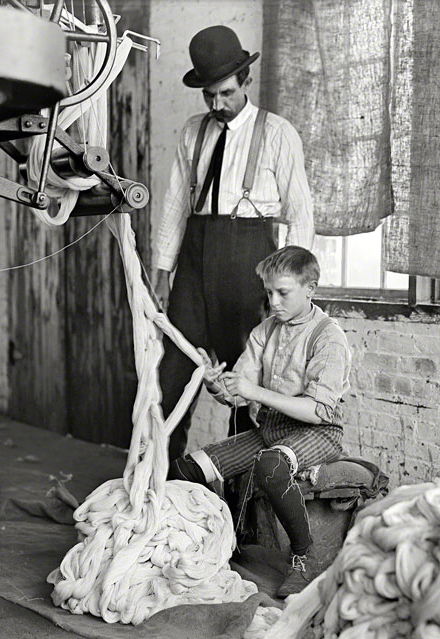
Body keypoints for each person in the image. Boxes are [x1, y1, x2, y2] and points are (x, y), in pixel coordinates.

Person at [154, 25, 315, 462]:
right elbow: (174, 204)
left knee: (247, 386)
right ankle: (161, 488)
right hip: (193, 259)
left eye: (225, 93)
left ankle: (238, 505)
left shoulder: (279, 133)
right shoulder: (193, 132)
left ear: (246, 80)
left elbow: (300, 213)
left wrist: (293, 289)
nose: (217, 104)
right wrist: (163, 269)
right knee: (170, 378)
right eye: (209, 96)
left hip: (251, 262)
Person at [169, 246, 352, 598]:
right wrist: (218, 386)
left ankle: (303, 557)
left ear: (310, 288)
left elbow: (318, 411)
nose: (274, 301)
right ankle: (221, 543)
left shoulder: (328, 337)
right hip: (271, 428)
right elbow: (240, 392)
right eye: (269, 292)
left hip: (317, 432)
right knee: (187, 468)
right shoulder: (265, 331)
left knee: (270, 466)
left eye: (283, 292)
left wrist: (255, 391)